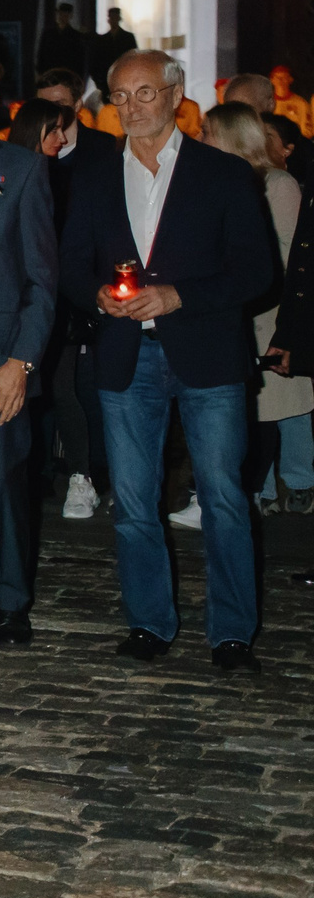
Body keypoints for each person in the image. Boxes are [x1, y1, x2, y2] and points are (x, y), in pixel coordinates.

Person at [61, 51, 277, 672]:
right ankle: (149, 622)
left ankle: (232, 633)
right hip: (127, 358)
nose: (130, 107)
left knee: (225, 499)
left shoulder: (223, 174)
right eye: (119, 97)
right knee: (132, 504)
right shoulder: (97, 177)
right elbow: (72, 266)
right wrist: (96, 295)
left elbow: (257, 271)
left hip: (206, 355)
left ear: (177, 96)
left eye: (144, 93)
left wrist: (180, 294)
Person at [201, 103, 314, 519]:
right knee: (256, 408)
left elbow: (290, 255)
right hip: (237, 308)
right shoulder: (214, 180)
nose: (200, 139)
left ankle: (299, 480)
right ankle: (260, 489)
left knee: (285, 402)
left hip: (271, 310)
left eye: (207, 132)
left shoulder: (279, 184)